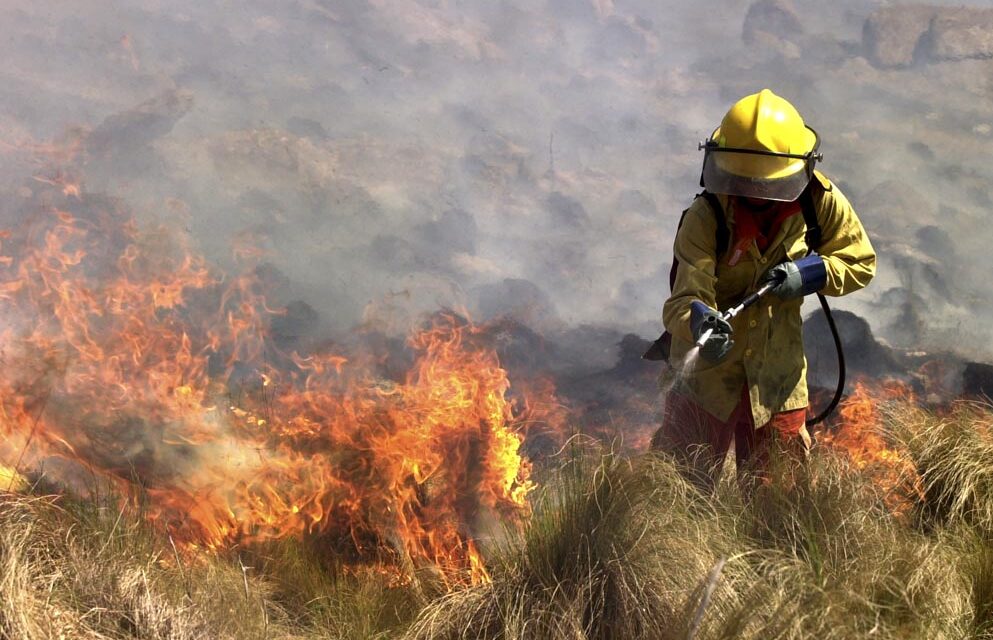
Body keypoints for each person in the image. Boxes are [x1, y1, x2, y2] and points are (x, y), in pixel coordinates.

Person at [650, 89, 876, 490]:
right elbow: (682, 301)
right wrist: (701, 321)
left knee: (777, 503)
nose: (752, 193)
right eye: (742, 181)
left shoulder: (818, 202)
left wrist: (810, 274)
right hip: (705, 383)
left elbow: (859, 261)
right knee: (678, 493)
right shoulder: (708, 216)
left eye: (762, 184)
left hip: (778, 381)